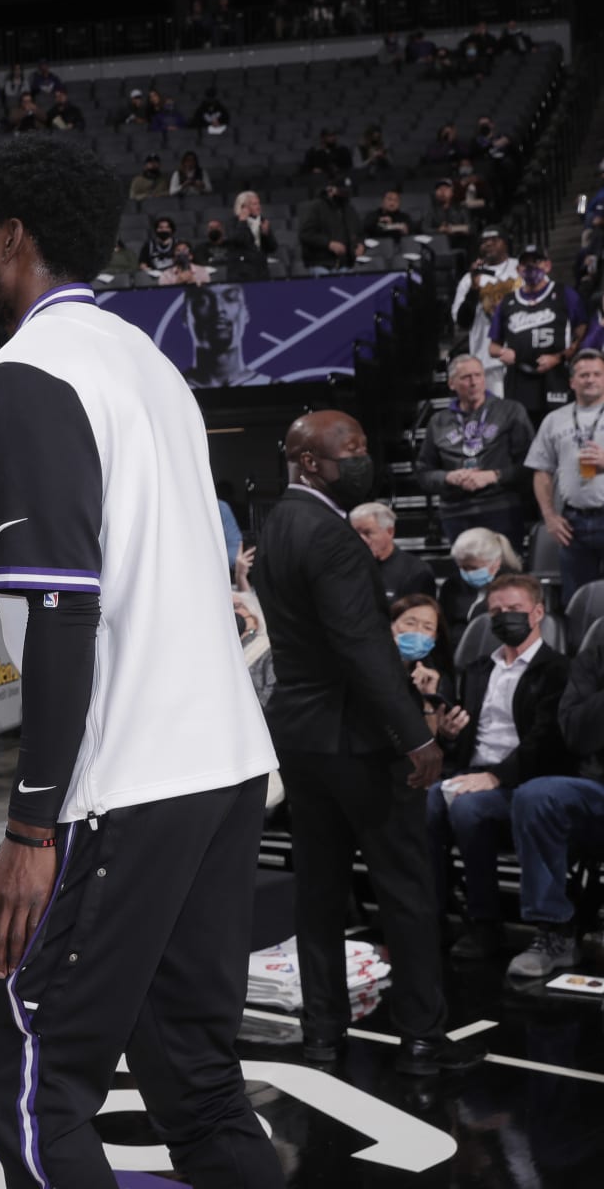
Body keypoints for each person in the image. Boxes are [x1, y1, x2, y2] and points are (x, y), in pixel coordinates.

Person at [0, 134, 281, 1188]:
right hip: (223, 763)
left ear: (11, 237)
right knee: (197, 1076)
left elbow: (61, 611)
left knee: (25, 1080)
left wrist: (31, 825)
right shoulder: (149, 363)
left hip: (124, 785)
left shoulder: (29, 371)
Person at [253, 409, 481, 1077]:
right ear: (310, 462)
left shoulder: (276, 527)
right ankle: (421, 1039)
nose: (362, 457)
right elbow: (364, 650)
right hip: (356, 738)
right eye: (348, 448)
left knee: (318, 891)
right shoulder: (332, 537)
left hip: (301, 739)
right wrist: (417, 736)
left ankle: (322, 1033)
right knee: (406, 889)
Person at [423, 574, 570, 969]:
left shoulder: (557, 670)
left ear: (538, 612)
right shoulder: (476, 670)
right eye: (496, 612)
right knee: (424, 804)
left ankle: (486, 922)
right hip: (475, 772)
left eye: (515, 610)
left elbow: (548, 741)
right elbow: (465, 737)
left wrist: (496, 777)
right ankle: (430, 918)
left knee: (469, 809)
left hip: (525, 780)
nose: (505, 618)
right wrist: (452, 735)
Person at [506, 637, 604, 980]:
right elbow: (575, 734)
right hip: (597, 792)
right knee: (536, 796)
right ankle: (555, 931)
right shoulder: (596, 653)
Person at [417, 352, 533, 545]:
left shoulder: (510, 411)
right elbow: (423, 472)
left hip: (499, 507)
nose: (474, 382)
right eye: (466, 377)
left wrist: (494, 475)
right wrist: (448, 477)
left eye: (478, 375)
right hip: (455, 512)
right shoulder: (438, 421)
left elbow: (529, 465)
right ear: (451, 383)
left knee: (506, 572)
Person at [528, 346, 604, 595]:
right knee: (577, 598)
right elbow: (541, 471)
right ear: (572, 382)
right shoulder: (554, 420)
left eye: (596, 374)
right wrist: (549, 517)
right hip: (573, 522)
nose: (590, 379)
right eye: (583, 375)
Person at [490, 243, 586, 423]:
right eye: (526, 263)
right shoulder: (508, 301)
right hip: (519, 376)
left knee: (560, 425)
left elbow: (582, 334)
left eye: (537, 261)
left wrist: (559, 357)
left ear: (547, 265)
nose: (531, 267)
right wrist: (502, 352)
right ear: (518, 269)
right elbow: (493, 346)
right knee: (523, 431)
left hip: (556, 375)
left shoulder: (565, 294)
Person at [452, 228, 520, 399]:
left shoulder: (521, 268)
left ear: (506, 242)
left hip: (522, 354)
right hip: (487, 360)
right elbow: (462, 322)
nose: (488, 243)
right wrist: (475, 288)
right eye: (484, 241)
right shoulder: (469, 279)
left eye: (494, 239)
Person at [181, 283, 268, 387]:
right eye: (203, 301)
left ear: (245, 314)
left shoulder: (275, 387)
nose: (219, 309)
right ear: (186, 317)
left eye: (230, 298)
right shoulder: (171, 390)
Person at [350, 502, 435, 603]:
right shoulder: (345, 566)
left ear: (390, 532)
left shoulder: (416, 571)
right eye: (355, 533)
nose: (361, 539)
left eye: (367, 533)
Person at [440, 526, 520, 628]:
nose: (468, 573)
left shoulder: (516, 586)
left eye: (474, 568)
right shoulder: (451, 586)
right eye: (463, 567)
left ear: (496, 562)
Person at [299, 178, 365, 273]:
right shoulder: (316, 207)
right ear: (330, 190)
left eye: (346, 192)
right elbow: (305, 234)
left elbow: (360, 233)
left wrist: (360, 244)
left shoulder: (349, 209)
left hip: (345, 264)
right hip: (321, 263)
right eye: (341, 191)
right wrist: (329, 244)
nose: (344, 195)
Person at [220, 190, 277, 282]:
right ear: (243, 207)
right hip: (241, 274)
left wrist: (266, 234)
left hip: (261, 273)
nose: (259, 207)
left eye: (258, 203)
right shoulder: (233, 223)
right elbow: (238, 240)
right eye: (254, 204)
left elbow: (273, 248)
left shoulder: (263, 222)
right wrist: (242, 221)